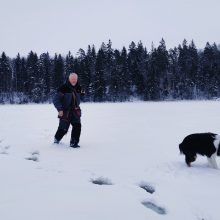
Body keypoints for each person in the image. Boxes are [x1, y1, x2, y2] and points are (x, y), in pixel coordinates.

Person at [53, 73, 85, 148]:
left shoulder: (79, 87)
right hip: (65, 111)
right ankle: (56, 139)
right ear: (69, 79)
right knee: (63, 129)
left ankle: (74, 143)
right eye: (72, 79)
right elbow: (56, 100)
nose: (74, 80)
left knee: (77, 126)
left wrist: (83, 94)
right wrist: (60, 109)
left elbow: (82, 98)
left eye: (75, 79)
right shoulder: (63, 88)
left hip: (76, 111)